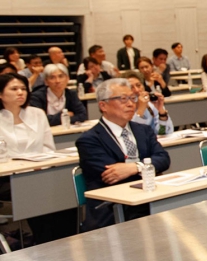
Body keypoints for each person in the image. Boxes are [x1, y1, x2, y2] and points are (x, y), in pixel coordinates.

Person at [76, 79, 170, 229]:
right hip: (112, 210)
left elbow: (164, 159)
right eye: (123, 99)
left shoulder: (143, 130)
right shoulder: (89, 140)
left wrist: (135, 167)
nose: (131, 104)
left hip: (146, 200)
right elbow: (113, 175)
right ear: (103, 105)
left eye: (132, 98)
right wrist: (144, 167)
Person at [0, 73, 74, 244]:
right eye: (14, 89)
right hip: (8, 177)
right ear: (1, 94)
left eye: (23, 89)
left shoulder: (37, 113)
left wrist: (42, 164)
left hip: (40, 171)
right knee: (37, 190)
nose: (20, 92)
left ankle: (65, 239)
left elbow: (48, 147)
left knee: (64, 187)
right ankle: (43, 241)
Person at [122, 71, 173, 136]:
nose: (137, 90)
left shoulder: (152, 105)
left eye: (138, 85)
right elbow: (131, 134)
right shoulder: (121, 109)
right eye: (131, 87)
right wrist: (140, 110)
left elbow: (163, 132)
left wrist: (161, 111)